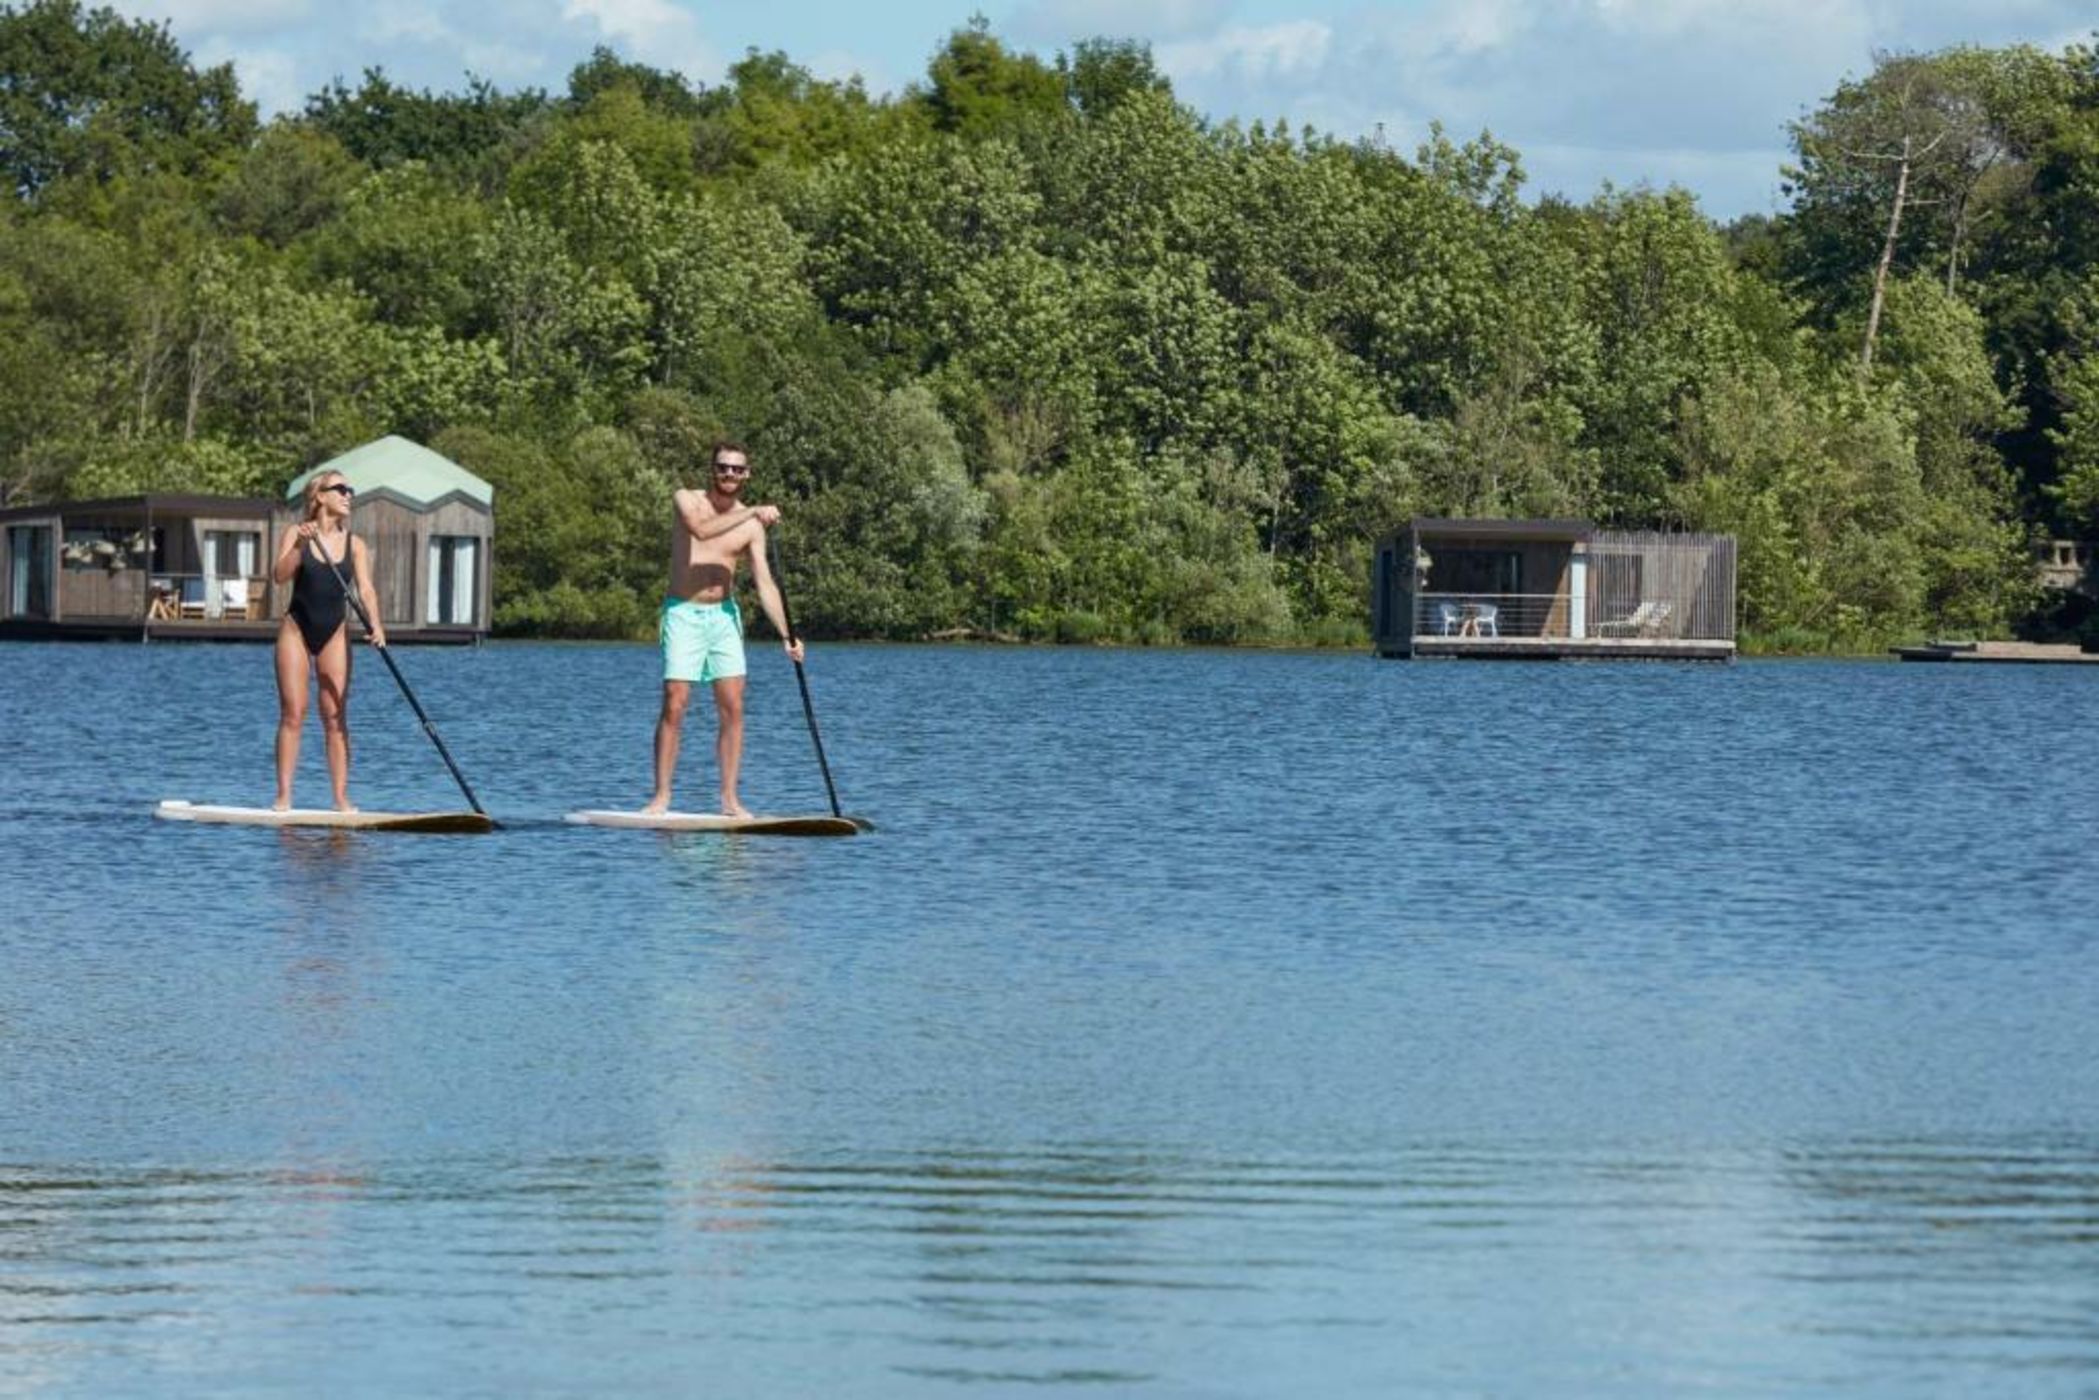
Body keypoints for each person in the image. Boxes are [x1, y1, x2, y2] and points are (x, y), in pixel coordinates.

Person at [646, 441, 803, 816]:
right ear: (712, 470)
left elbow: (765, 584)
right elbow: (701, 531)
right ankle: (661, 797)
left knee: (733, 706)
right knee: (675, 702)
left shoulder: (752, 526)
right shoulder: (687, 499)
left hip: (723, 617)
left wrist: (788, 635)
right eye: (723, 467)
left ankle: (730, 799)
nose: (729, 474)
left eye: (737, 469)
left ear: (746, 475)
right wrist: (753, 511)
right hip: (683, 612)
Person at [271, 470, 385, 811]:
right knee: (294, 712)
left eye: (350, 489)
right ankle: (284, 796)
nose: (348, 494)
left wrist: (377, 625)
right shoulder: (296, 533)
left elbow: (366, 589)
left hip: (334, 632)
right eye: (340, 489)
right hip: (296, 629)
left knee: (335, 717)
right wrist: (300, 547)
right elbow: (279, 576)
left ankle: (340, 798)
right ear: (320, 496)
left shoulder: (355, 544)